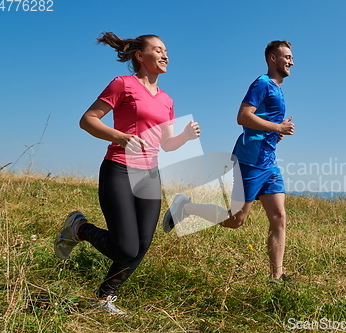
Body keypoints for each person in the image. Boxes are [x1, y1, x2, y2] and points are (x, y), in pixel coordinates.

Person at [53, 32, 200, 315]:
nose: (165, 54)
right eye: (158, 50)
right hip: (119, 168)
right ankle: (78, 228)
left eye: (166, 50)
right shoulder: (123, 84)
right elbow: (88, 120)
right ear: (140, 56)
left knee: (141, 246)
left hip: (149, 175)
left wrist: (185, 136)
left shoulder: (167, 100)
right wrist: (120, 137)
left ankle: (102, 299)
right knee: (126, 248)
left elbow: (167, 144)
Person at [164, 40, 294, 280]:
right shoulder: (262, 83)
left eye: (291, 57)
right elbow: (243, 116)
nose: (291, 61)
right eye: (286, 57)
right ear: (272, 59)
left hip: (269, 161)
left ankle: (277, 277)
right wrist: (277, 126)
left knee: (279, 217)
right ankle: (185, 207)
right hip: (250, 161)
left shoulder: (279, 89)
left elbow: (260, 123)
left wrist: (275, 133)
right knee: (236, 220)